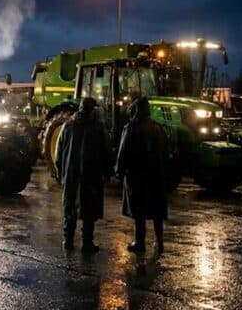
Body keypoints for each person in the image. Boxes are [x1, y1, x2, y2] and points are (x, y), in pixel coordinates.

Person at [55, 97, 110, 253]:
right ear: (92, 110)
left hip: (71, 174)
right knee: (89, 210)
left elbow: (59, 152)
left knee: (70, 208)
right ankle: (87, 243)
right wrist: (107, 172)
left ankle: (68, 241)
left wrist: (61, 172)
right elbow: (105, 152)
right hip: (90, 175)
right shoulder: (97, 128)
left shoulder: (68, 126)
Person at [115, 97, 169, 254]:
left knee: (139, 212)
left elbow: (123, 151)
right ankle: (159, 243)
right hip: (156, 176)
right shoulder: (158, 128)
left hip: (137, 176)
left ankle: (140, 243)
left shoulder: (131, 128)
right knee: (157, 210)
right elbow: (166, 152)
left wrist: (119, 170)